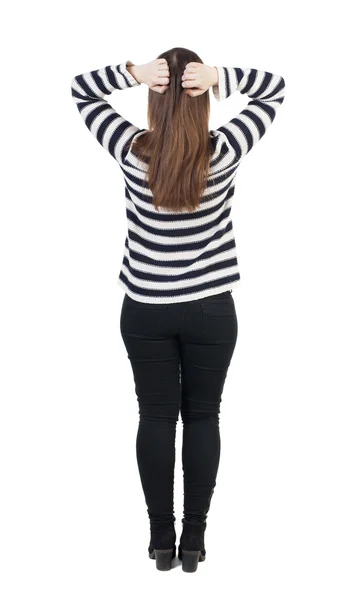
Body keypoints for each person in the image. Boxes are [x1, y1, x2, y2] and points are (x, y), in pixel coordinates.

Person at [71, 47, 286, 572]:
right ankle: (194, 540)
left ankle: (160, 540)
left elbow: (81, 90)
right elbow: (274, 89)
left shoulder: (131, 149)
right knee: (204, 416)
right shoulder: (225, 150)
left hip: (145, 308)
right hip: (212, 310)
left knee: (156, 417)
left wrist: (133, 73)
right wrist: (220, 78)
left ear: (154, 100)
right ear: (201, 101)